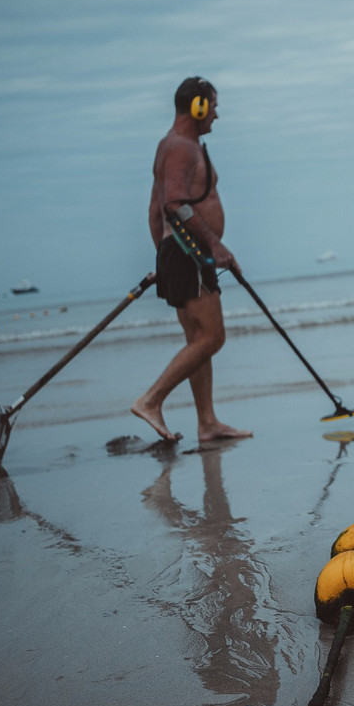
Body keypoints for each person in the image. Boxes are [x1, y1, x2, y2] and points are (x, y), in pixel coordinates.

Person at [131, 77, 253, 444]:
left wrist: (163, 257)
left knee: (198, 339)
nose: (216, 114)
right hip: (191, 254)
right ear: (197, 106)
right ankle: (150, 400)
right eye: (213, 106)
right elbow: (173, 205)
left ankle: (208, 423)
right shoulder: (181, 147)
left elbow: (155, 212)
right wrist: (214, 246)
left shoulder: (178, 146)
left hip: (180, 254)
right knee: (213, 337)